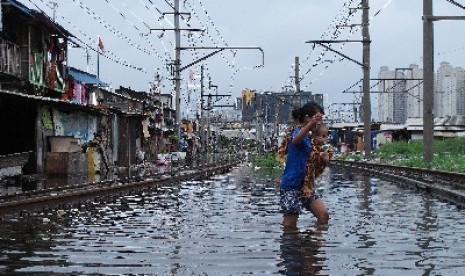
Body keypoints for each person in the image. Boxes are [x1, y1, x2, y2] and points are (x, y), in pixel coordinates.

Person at [278, 101, 329, 229]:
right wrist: (311, 124)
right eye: (317, 119)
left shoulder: (310, 138)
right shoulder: (297, 132)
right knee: (290, 224)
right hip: (292, 185)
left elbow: (313, 161)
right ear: (307, 118)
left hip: (305, 186)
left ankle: (311, 247)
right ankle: (291, 246)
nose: (318, 123)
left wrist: (324, 159)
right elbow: (295, 141)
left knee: (323, 216)